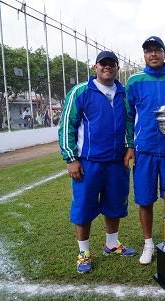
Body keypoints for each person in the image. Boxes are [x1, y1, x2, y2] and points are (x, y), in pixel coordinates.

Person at [58, 50, 137, 274]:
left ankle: (112, 244)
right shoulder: (81, 91)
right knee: (84, 207)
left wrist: (130, 147)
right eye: (103, 64)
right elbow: (67, 126)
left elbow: (130, 123)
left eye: (111, 64)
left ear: (117, 68)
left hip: (116, 161)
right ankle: (83, 252)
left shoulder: (123, 93)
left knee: (115, 204)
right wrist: (71, 158)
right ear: (95, 67)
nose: (107, 67)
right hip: (89, 162)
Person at [125, 36, 165, 265]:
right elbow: (128, 117)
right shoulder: (134, 81)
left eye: (157, 50)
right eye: (149, 51)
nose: (153, 54)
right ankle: (148, 244)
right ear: (144, 55)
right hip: (144, 151)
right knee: (145, 200)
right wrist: (130, 146)